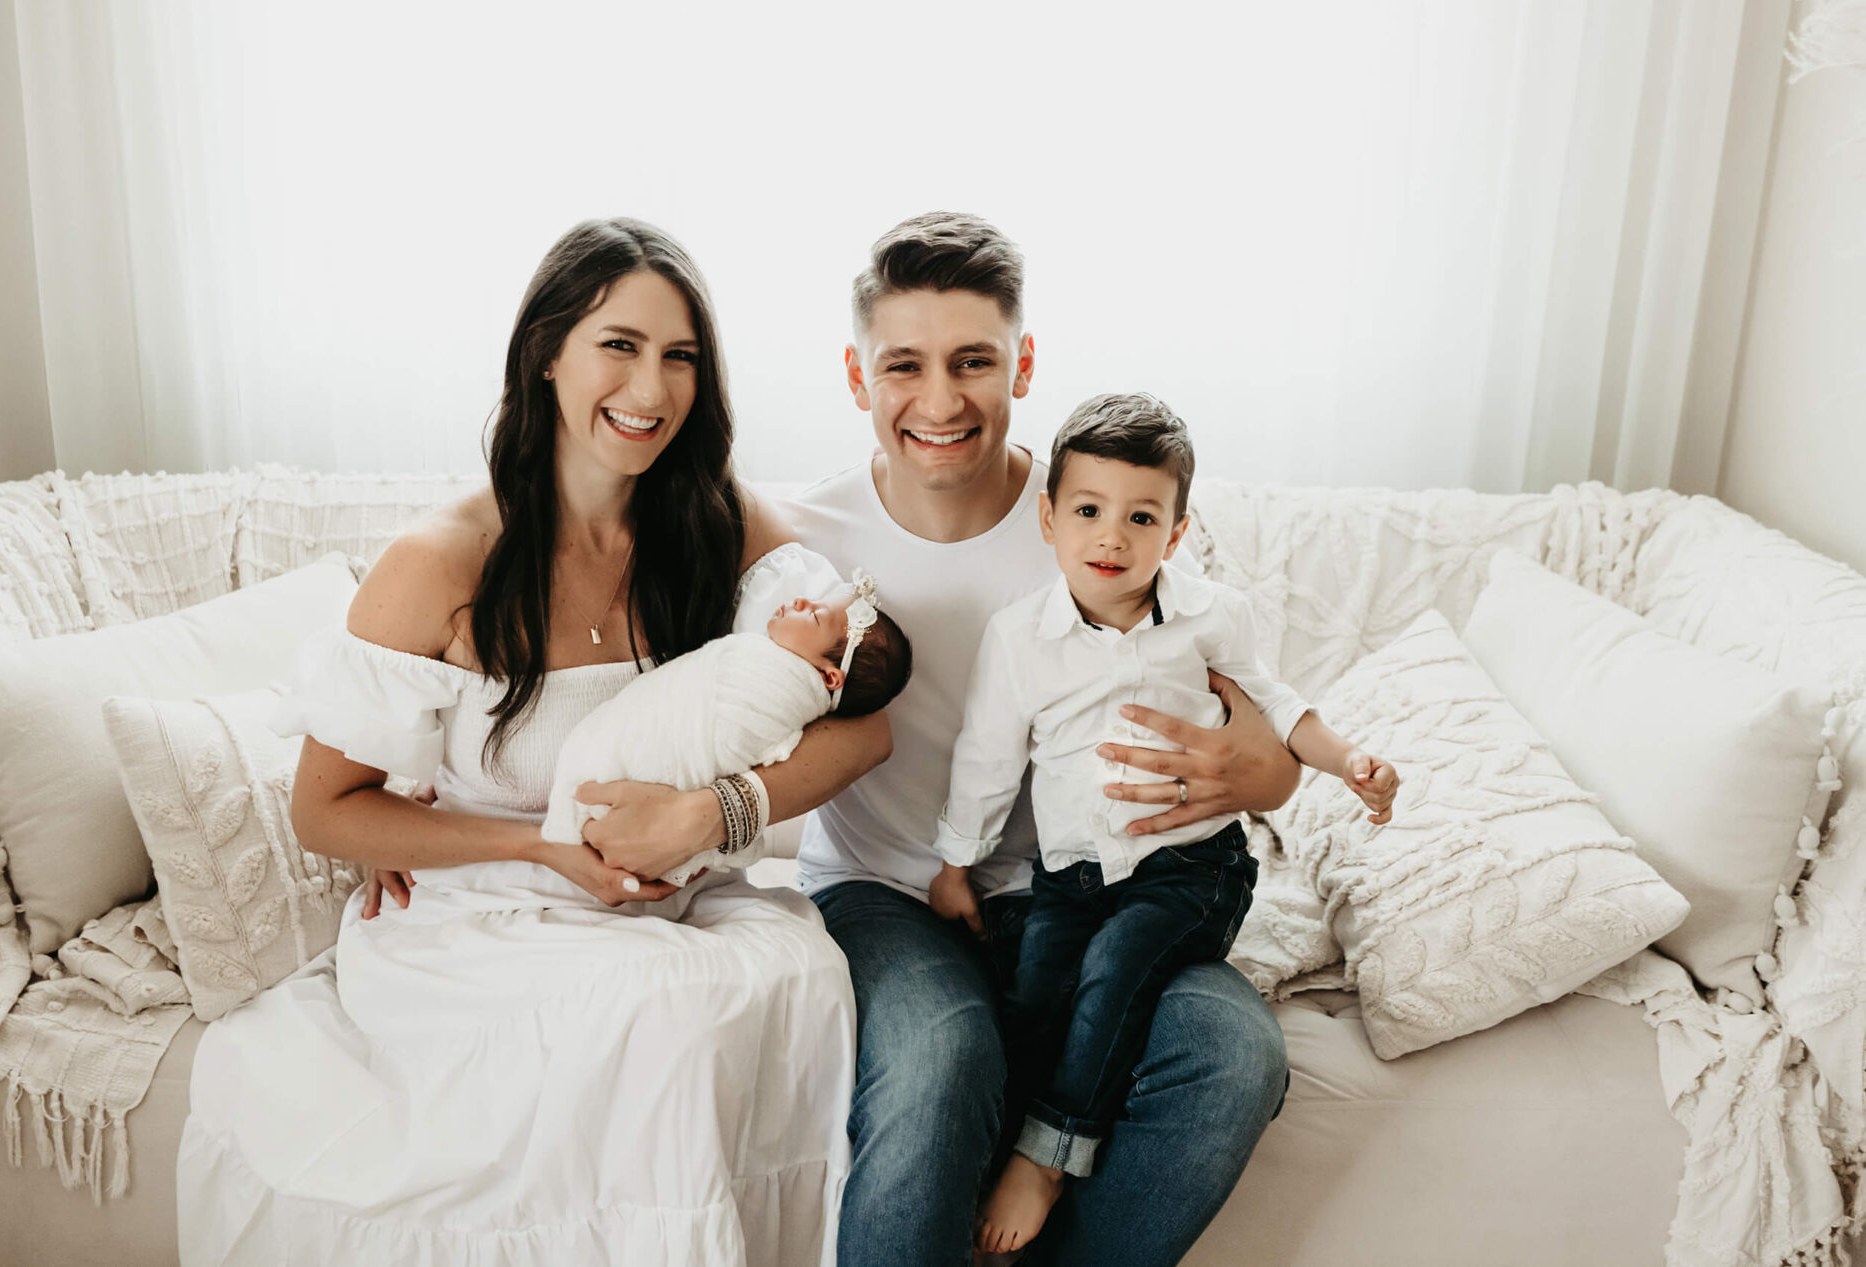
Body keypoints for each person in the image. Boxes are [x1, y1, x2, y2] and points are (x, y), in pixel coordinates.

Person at [176, 218, 889, 1266]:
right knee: (659, 1012)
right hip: (492, 914)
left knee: (796, 976)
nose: (650, 387)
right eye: (619, 345)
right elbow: (324, 808)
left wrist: (712, 812)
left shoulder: (716, 523)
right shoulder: (442, 562)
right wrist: (540, 848)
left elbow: (865, 724)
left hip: (672, 894)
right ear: (547, 351)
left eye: (680, 356)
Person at [787, 211, 1307, 1267]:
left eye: (973, 361)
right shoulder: (808, 537)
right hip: (888, 893)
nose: (941, 401)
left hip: (1096, 891)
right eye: (904, 365)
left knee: (1234, 1053)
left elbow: (1255, 726)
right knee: (944, 1058)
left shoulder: (1097, 516)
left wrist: (1267, 776)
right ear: (855, 375)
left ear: (1022, 364)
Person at [928, 394, 1399, 1254]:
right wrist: (956, 863)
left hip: (1191, 868)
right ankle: (1000, 1177)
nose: (1111, 536)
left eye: (1141, 517)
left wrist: (1348, 760)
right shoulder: (1019, 638)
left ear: (1175, 534)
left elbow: (1278, 705)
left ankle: (1049, 1154)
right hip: (1071, 875)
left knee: (1116, 966)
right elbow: (986, 758)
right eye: (1088, 511)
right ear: (1049, 519)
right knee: (1034, 993)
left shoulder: (1211, 617)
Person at [532, 576, 911, 899]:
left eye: (814, 614)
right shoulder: (763, 658)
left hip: (640, 799)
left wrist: (704, 816)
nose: (799, 600)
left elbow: (733, 737)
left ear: (829, 677)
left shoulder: (781, 690)